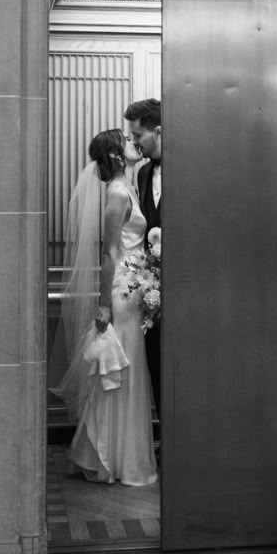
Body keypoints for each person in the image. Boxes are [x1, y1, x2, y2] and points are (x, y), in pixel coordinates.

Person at [51, 128, 158, 486]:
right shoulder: (116, 193)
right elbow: (109, 252)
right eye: (128, 141)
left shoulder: (129, 187)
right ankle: (114, 458)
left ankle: (120, 455)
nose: (135, 142)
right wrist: (103, 306)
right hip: (121, 292)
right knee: (120, 372)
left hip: (134, 287)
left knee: (128, 370)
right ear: (115, 155)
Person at [123, 99, 162, 421]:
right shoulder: (144, 171)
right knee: (155, 363)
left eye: (138, 135)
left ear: (158, 131)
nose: (134, 142)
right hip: (152, 293)